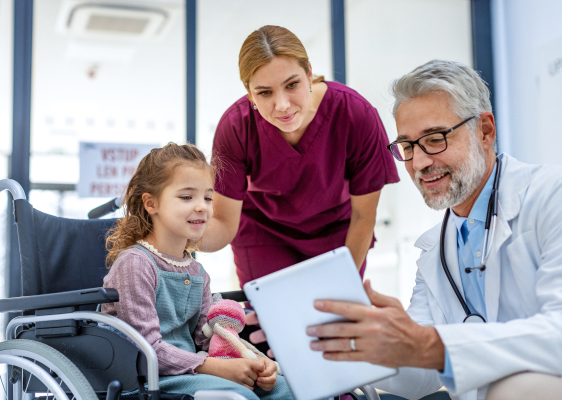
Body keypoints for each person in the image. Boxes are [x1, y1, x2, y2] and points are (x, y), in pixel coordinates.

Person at [297, 60, 562, 400]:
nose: (419, 163)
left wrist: (429, 345)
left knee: (518, 388)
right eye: (407, 147)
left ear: (485, 130)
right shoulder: (438, 250)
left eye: (435, 139)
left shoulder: (551, 197)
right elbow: (419, 377)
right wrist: (357, 343)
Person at [202, 25, 399, 286]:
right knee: (275, 321)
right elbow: (225, 224)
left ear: (308, 73)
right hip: (264, 232)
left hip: (338, 230)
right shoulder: (235, 127)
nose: (282, 105)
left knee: (333, 321)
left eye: (292, 84)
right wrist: (174, 236)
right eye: (264, 92)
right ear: (249, 93)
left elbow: (364, 217)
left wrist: (344, 287)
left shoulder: (356, 114)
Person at [101, 143, 293, 400]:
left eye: (208, 197)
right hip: (150, 378)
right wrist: (217, 367)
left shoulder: (196, 271)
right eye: (187, 197)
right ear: (151, 203)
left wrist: (254, 364)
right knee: (237, 395)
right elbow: (145, 349)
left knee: (288, 389)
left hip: (194, 371)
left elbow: (208, 340)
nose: (202, 206)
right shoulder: (135, 264)